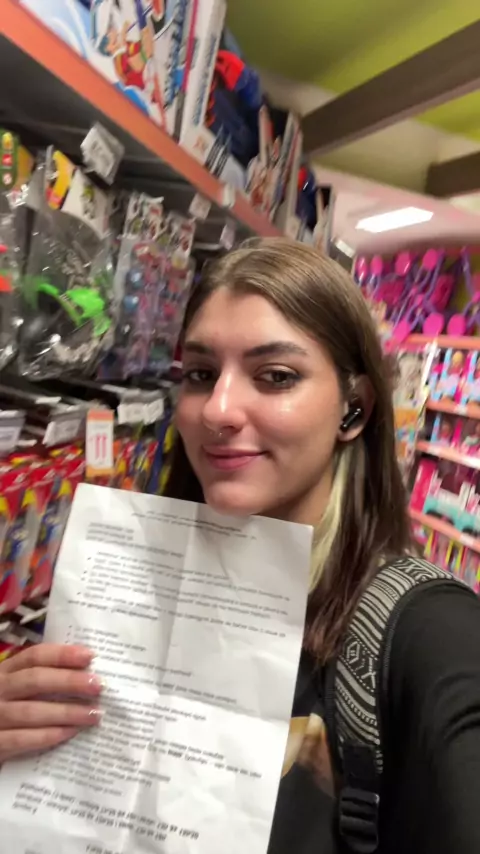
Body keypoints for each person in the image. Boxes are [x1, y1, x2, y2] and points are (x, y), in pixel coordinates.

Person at [0, 238, 479, 854]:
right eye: (201, 375)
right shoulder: (123, 593)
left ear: (354, 409)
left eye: (276, 376)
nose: (218, 411)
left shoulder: (428, 634)